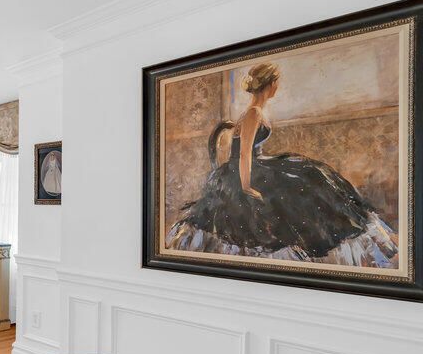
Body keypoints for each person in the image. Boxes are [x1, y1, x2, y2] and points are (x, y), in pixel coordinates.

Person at [166, 62, 398, 268]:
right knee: (307, 181)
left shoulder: (256, 112)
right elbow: (244, 154)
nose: (277, 86)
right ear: (270, 84)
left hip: (255, 165)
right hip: (245, 171)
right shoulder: (253, 113)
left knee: (312, 173)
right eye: (276, 82)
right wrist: (246, 186)